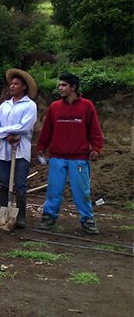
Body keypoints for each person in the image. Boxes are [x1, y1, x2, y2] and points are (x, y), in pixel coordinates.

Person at [37, 73, 104, 234]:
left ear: (73, 87)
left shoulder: (87, 106)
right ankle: (49, 217)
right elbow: (47, 130)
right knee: (54, 189)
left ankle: (87, 220)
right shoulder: (54, 107)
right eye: (59, 85)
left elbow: (94, 129)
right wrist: (41, 146)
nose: (59, 88)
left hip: (79, 157)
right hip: (57, 157)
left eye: (63, 85)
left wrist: (96, 148)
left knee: (82, 190)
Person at [0, 69, 38, 229]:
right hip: (4, 150)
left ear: (24, 87)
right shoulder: (4, 106)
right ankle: (2, 214)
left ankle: (21, 217)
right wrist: (6, 135)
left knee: (20, 185)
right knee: (3, 184)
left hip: (21, 150)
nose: (12, 86)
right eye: (11, 83)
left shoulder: (30, 105)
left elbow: (24, 127)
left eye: (16, 84)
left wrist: (5, 133)